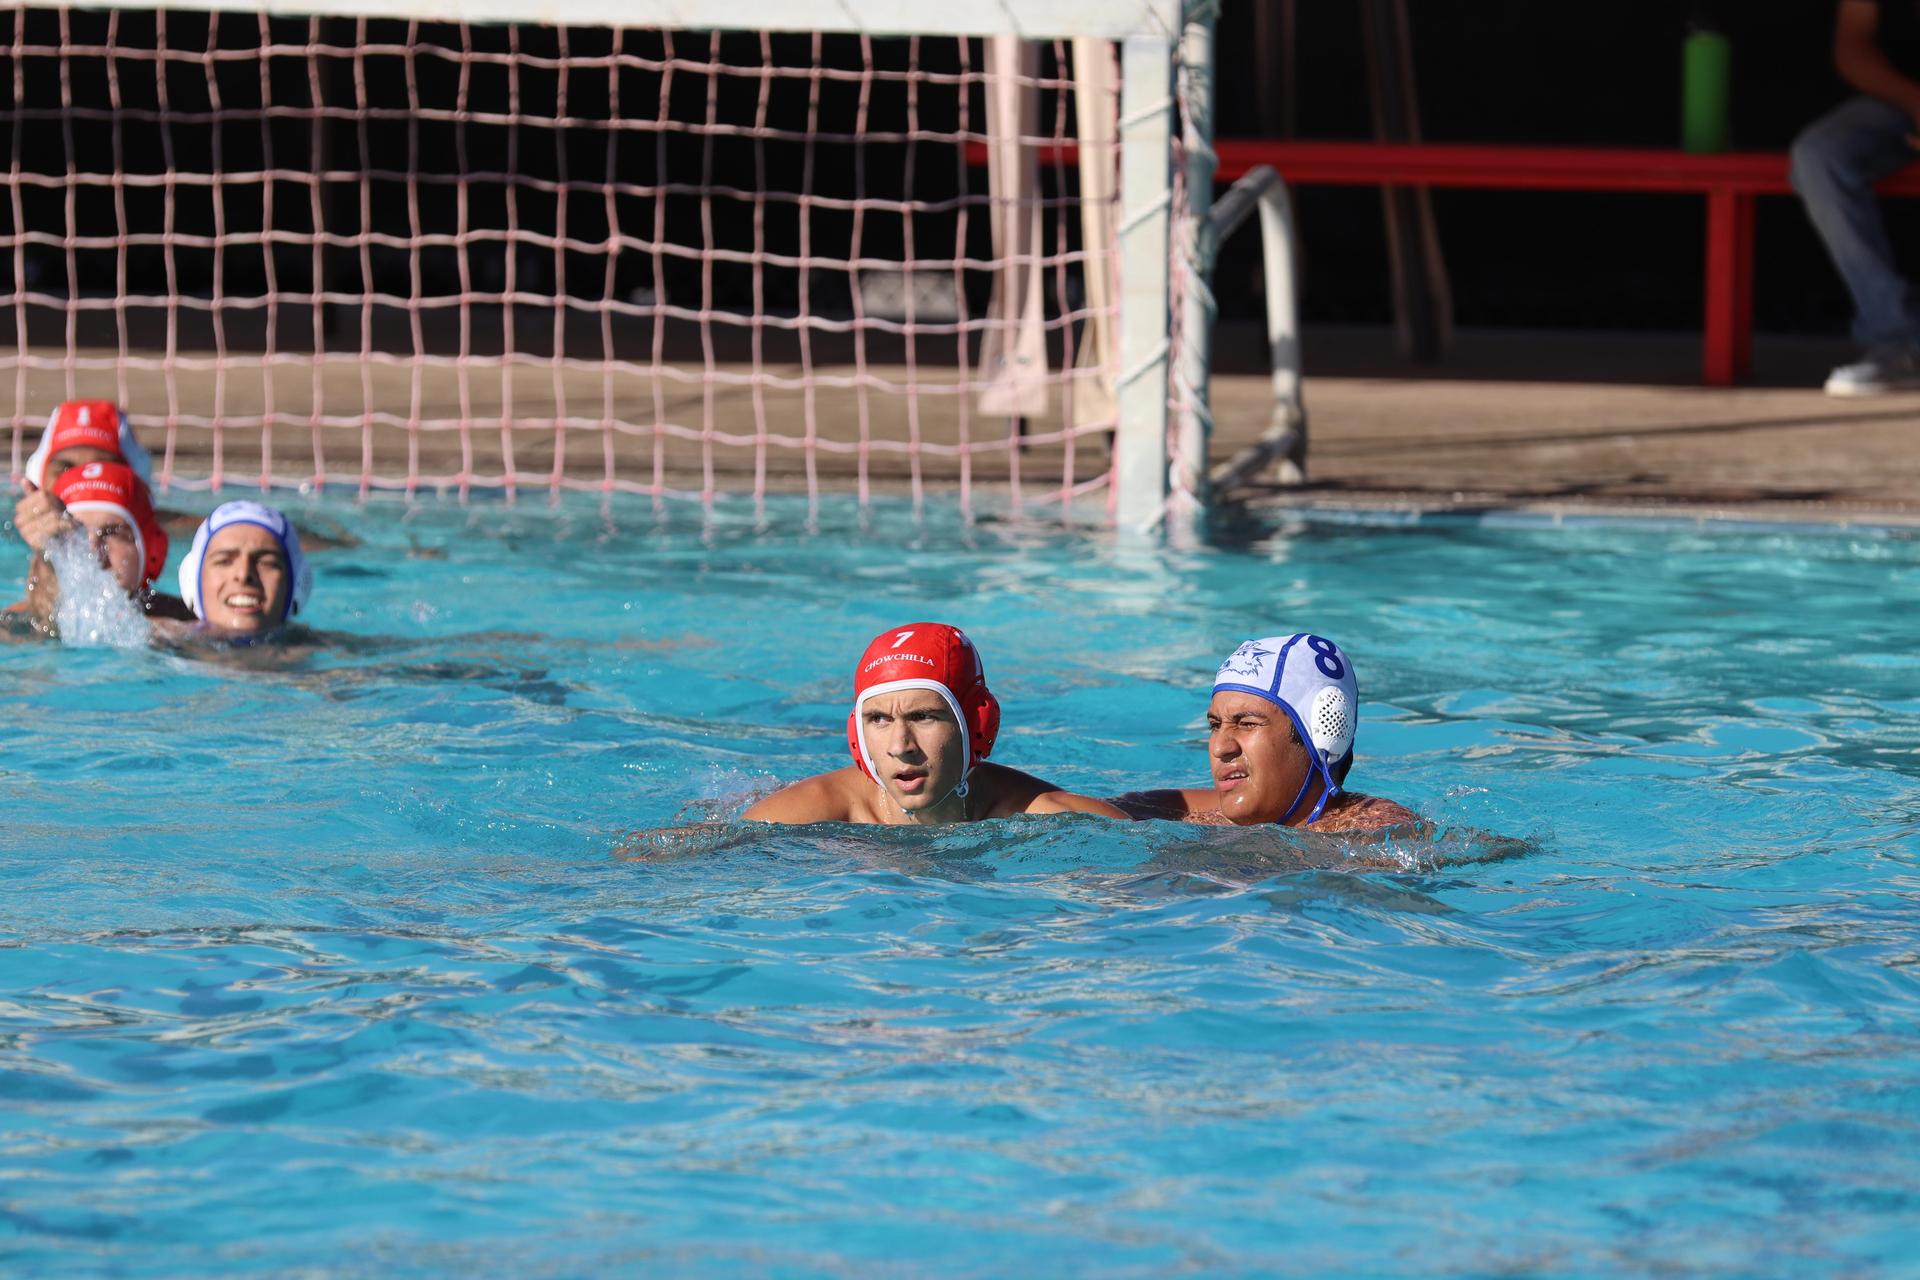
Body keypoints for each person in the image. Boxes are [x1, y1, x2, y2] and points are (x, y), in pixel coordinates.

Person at [743, 623, 1128, 825]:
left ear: (977, 724)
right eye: (878, 719)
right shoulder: (796, 816)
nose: (900, 745)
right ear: (856, 735)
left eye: (923, 716)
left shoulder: (1049, 815)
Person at [1111, 633, 1418, 833]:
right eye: (1215, 725)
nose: (1220, 747)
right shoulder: (1204, 817)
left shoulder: (1381, 831)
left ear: (1324, 732)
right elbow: (1084, 809)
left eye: (1247, 724)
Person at [1792, 0, 1920, 394]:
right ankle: (1900, 342)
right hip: (1899, 100)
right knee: (1820, 156)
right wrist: (1914, 101)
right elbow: (1853, 44)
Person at [5, 460, 171, 632]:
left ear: (153, 550)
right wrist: (48, 559)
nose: (93, 550)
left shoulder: (187, 624)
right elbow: (43, 628)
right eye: (78, 534)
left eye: (112, 532)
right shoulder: (15, 626)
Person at [157, 500, 314, 643]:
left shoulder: (331, 658)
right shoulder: (154, 641)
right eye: (224, 561)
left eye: (266, 563)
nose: (244, 574)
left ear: (297, 583)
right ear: (192, 579)